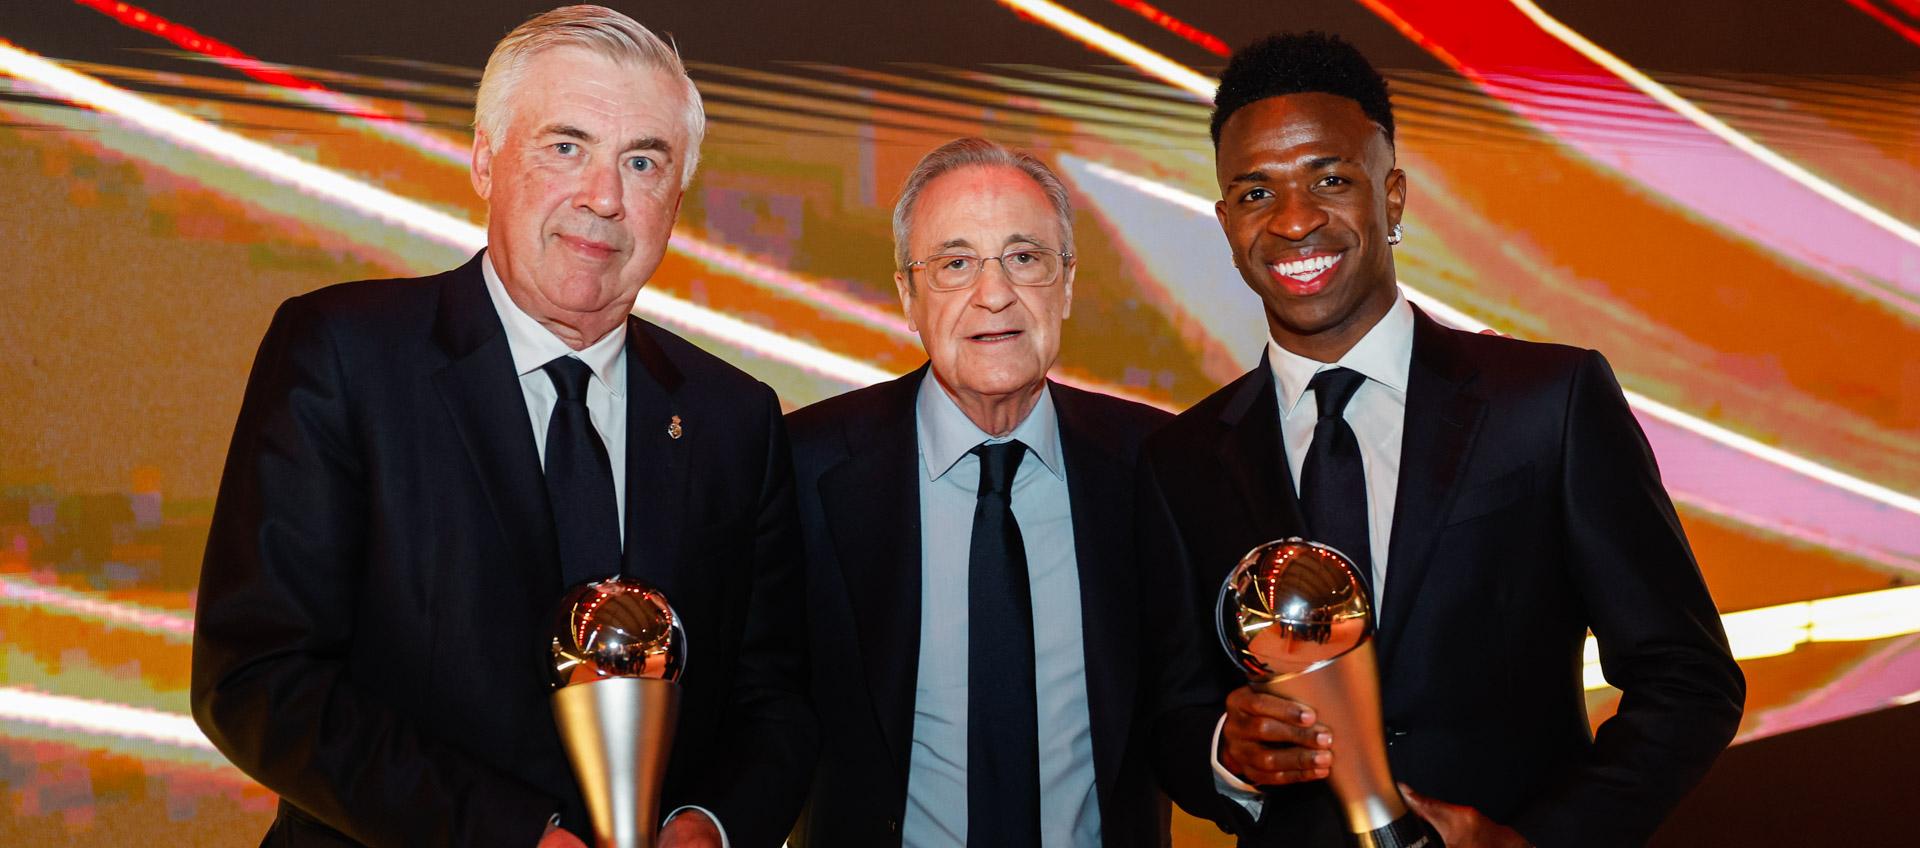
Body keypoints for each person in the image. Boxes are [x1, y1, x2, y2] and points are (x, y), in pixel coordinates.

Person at [190, 7, 814, 847]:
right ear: (485, 158)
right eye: (567, 147)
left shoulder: (734, 417)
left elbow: (773, 696)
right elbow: (258, 677)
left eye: (642, 162)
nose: (604, 196)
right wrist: (513, 836)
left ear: (676, 197)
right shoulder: (344, 356)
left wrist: (712, 825)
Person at [1138, 32, 1746, 847]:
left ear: (1391, 197)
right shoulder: (1182, 457)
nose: (1293, 220)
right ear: (1226, 221)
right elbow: (1171, 711)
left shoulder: (1547, 402)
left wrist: (1537, 843)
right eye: (1255, 194)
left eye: (1330, 178)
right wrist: (1224, 753)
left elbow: (1690, 679)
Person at [785, 138, 1196, 847]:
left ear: (1066, 283)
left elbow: (1186, 706)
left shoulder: (1158, 465)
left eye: (1024, 258)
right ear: (907, 297)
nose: (995, 293)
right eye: (954, 264)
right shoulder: (804, 468)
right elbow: (761, 708)